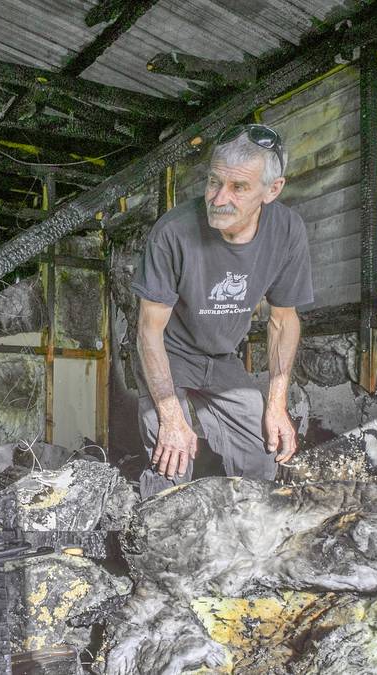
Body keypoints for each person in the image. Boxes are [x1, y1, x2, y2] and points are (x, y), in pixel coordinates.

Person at [131, 123, 313, 499]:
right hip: (169, 352)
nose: (219, 198)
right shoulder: (174, 233)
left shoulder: (287, 231)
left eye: (238, 187)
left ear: (272, 190)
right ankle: (164, 546)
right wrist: (170, 416)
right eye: (214, 182)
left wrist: (277, 405)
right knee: (172, 457)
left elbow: (283, 320)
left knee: (262, 452)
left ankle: (246, 544)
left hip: (222, 357)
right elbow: (148, 332)